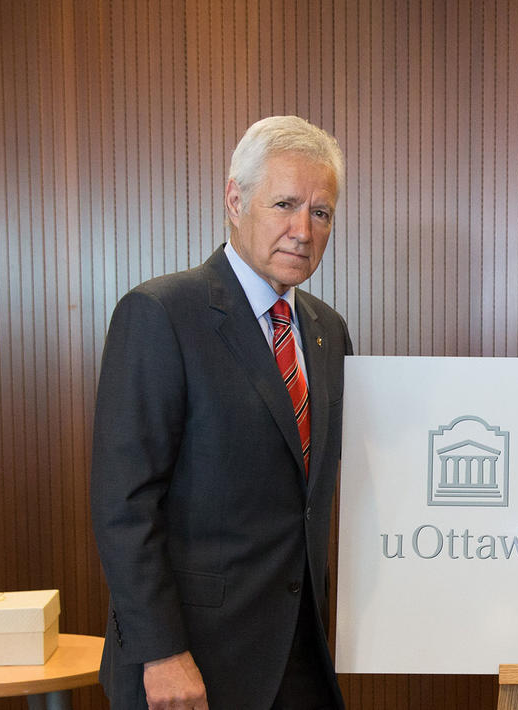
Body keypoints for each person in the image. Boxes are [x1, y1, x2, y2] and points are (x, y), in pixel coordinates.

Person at [91, 115, 352, 709]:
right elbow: (123, 505)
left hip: (300, 656)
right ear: (235, 199)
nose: (302, 230)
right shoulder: (160, 314)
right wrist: (161, 654)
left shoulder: (326, 331)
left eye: (321, 212)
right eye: (284, 203)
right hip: (193, 665)